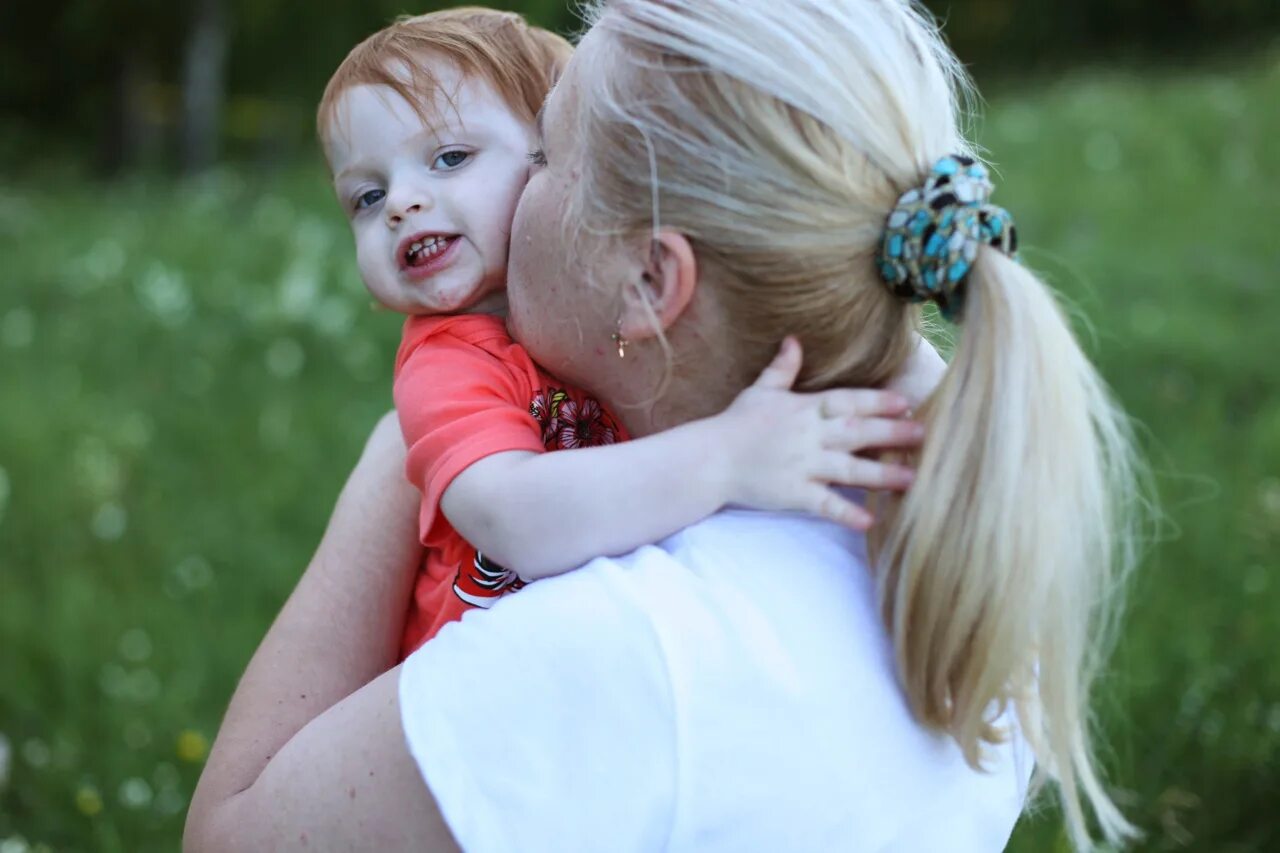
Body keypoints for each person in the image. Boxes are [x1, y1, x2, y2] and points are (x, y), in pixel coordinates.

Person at [185, 1, 1144, 850]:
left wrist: (405, 450)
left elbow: (231, 836)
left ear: (650, 281)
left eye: (548, 154)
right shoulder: (970, 502)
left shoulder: (617, 653)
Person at [317, 7, 922, 656]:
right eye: (367, 197)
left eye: (450, 157)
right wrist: (729, 456)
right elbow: (512, 516)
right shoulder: (447, 362)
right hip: (483, 689)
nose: (402, 203)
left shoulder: (573, 319)